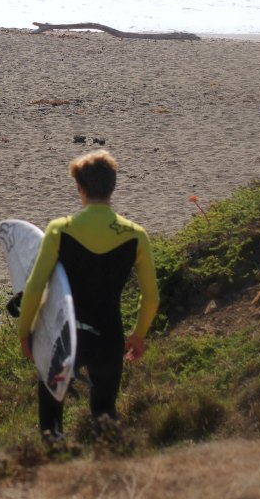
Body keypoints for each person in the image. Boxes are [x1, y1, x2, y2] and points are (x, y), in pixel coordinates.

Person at [18, 150, 159, 440]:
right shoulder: (135, 235)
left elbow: (35, 287)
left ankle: (54, 462)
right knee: (105, 414)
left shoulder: (60, 230)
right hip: (110, 338)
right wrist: (139, 335)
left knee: (51, 409)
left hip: (64, 335)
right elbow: (151, 297)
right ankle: (108, 472)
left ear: (80, 188)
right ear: (112, 187)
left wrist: (26, 332)